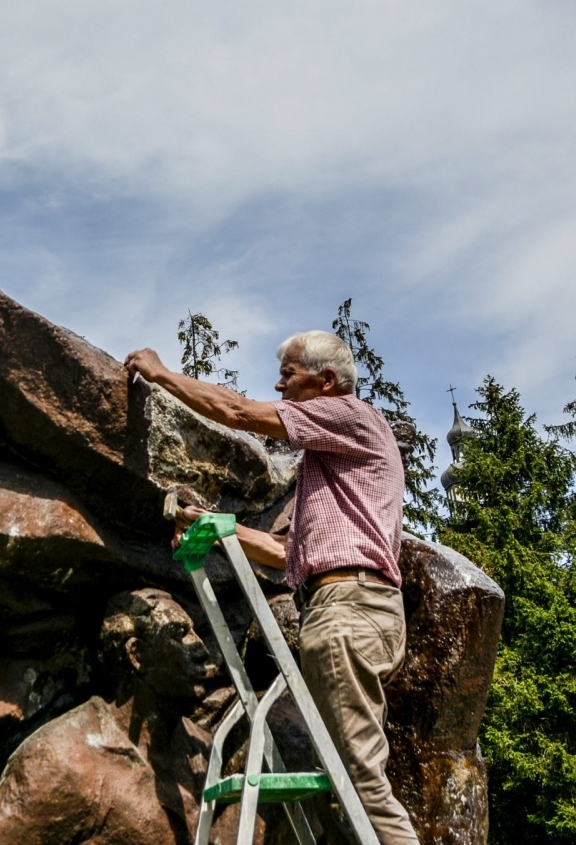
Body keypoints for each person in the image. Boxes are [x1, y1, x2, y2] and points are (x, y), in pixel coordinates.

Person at [124, 331, 419, 845]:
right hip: (346, 607)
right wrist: (220, 527)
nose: (278, 384)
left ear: (327, 381)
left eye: (289, 374)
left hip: (349, 609)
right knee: (341, 786)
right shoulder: (328, 468)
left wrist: (163, 374)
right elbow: (288, 555)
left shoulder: (351, 414)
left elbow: (239, 413)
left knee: (362, 784)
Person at [0, 588, 214, 845]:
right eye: (178, 633)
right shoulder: (66, 759)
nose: (202, 649)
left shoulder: (207, 751)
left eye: (195, 633)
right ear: (136, 654)